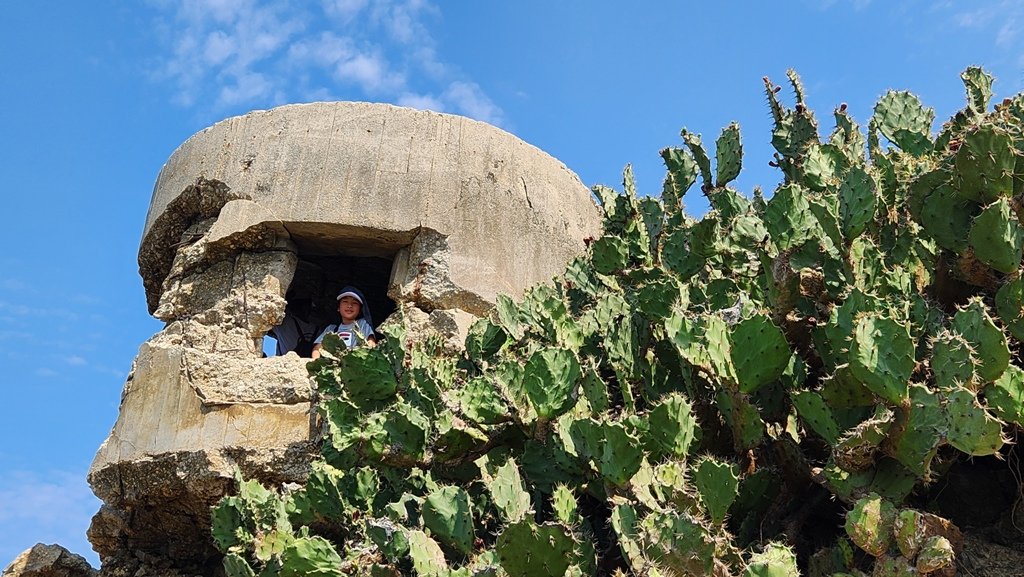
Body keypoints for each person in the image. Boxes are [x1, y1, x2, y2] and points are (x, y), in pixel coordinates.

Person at [311, 286, 376, 359]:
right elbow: (317, 349)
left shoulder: (363, 324)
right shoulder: (331, 329)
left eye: (354, 303)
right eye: (345, 301)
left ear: (360, 310)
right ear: (338, 308)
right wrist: (316, 362)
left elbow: (371, 344)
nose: (349, 306)